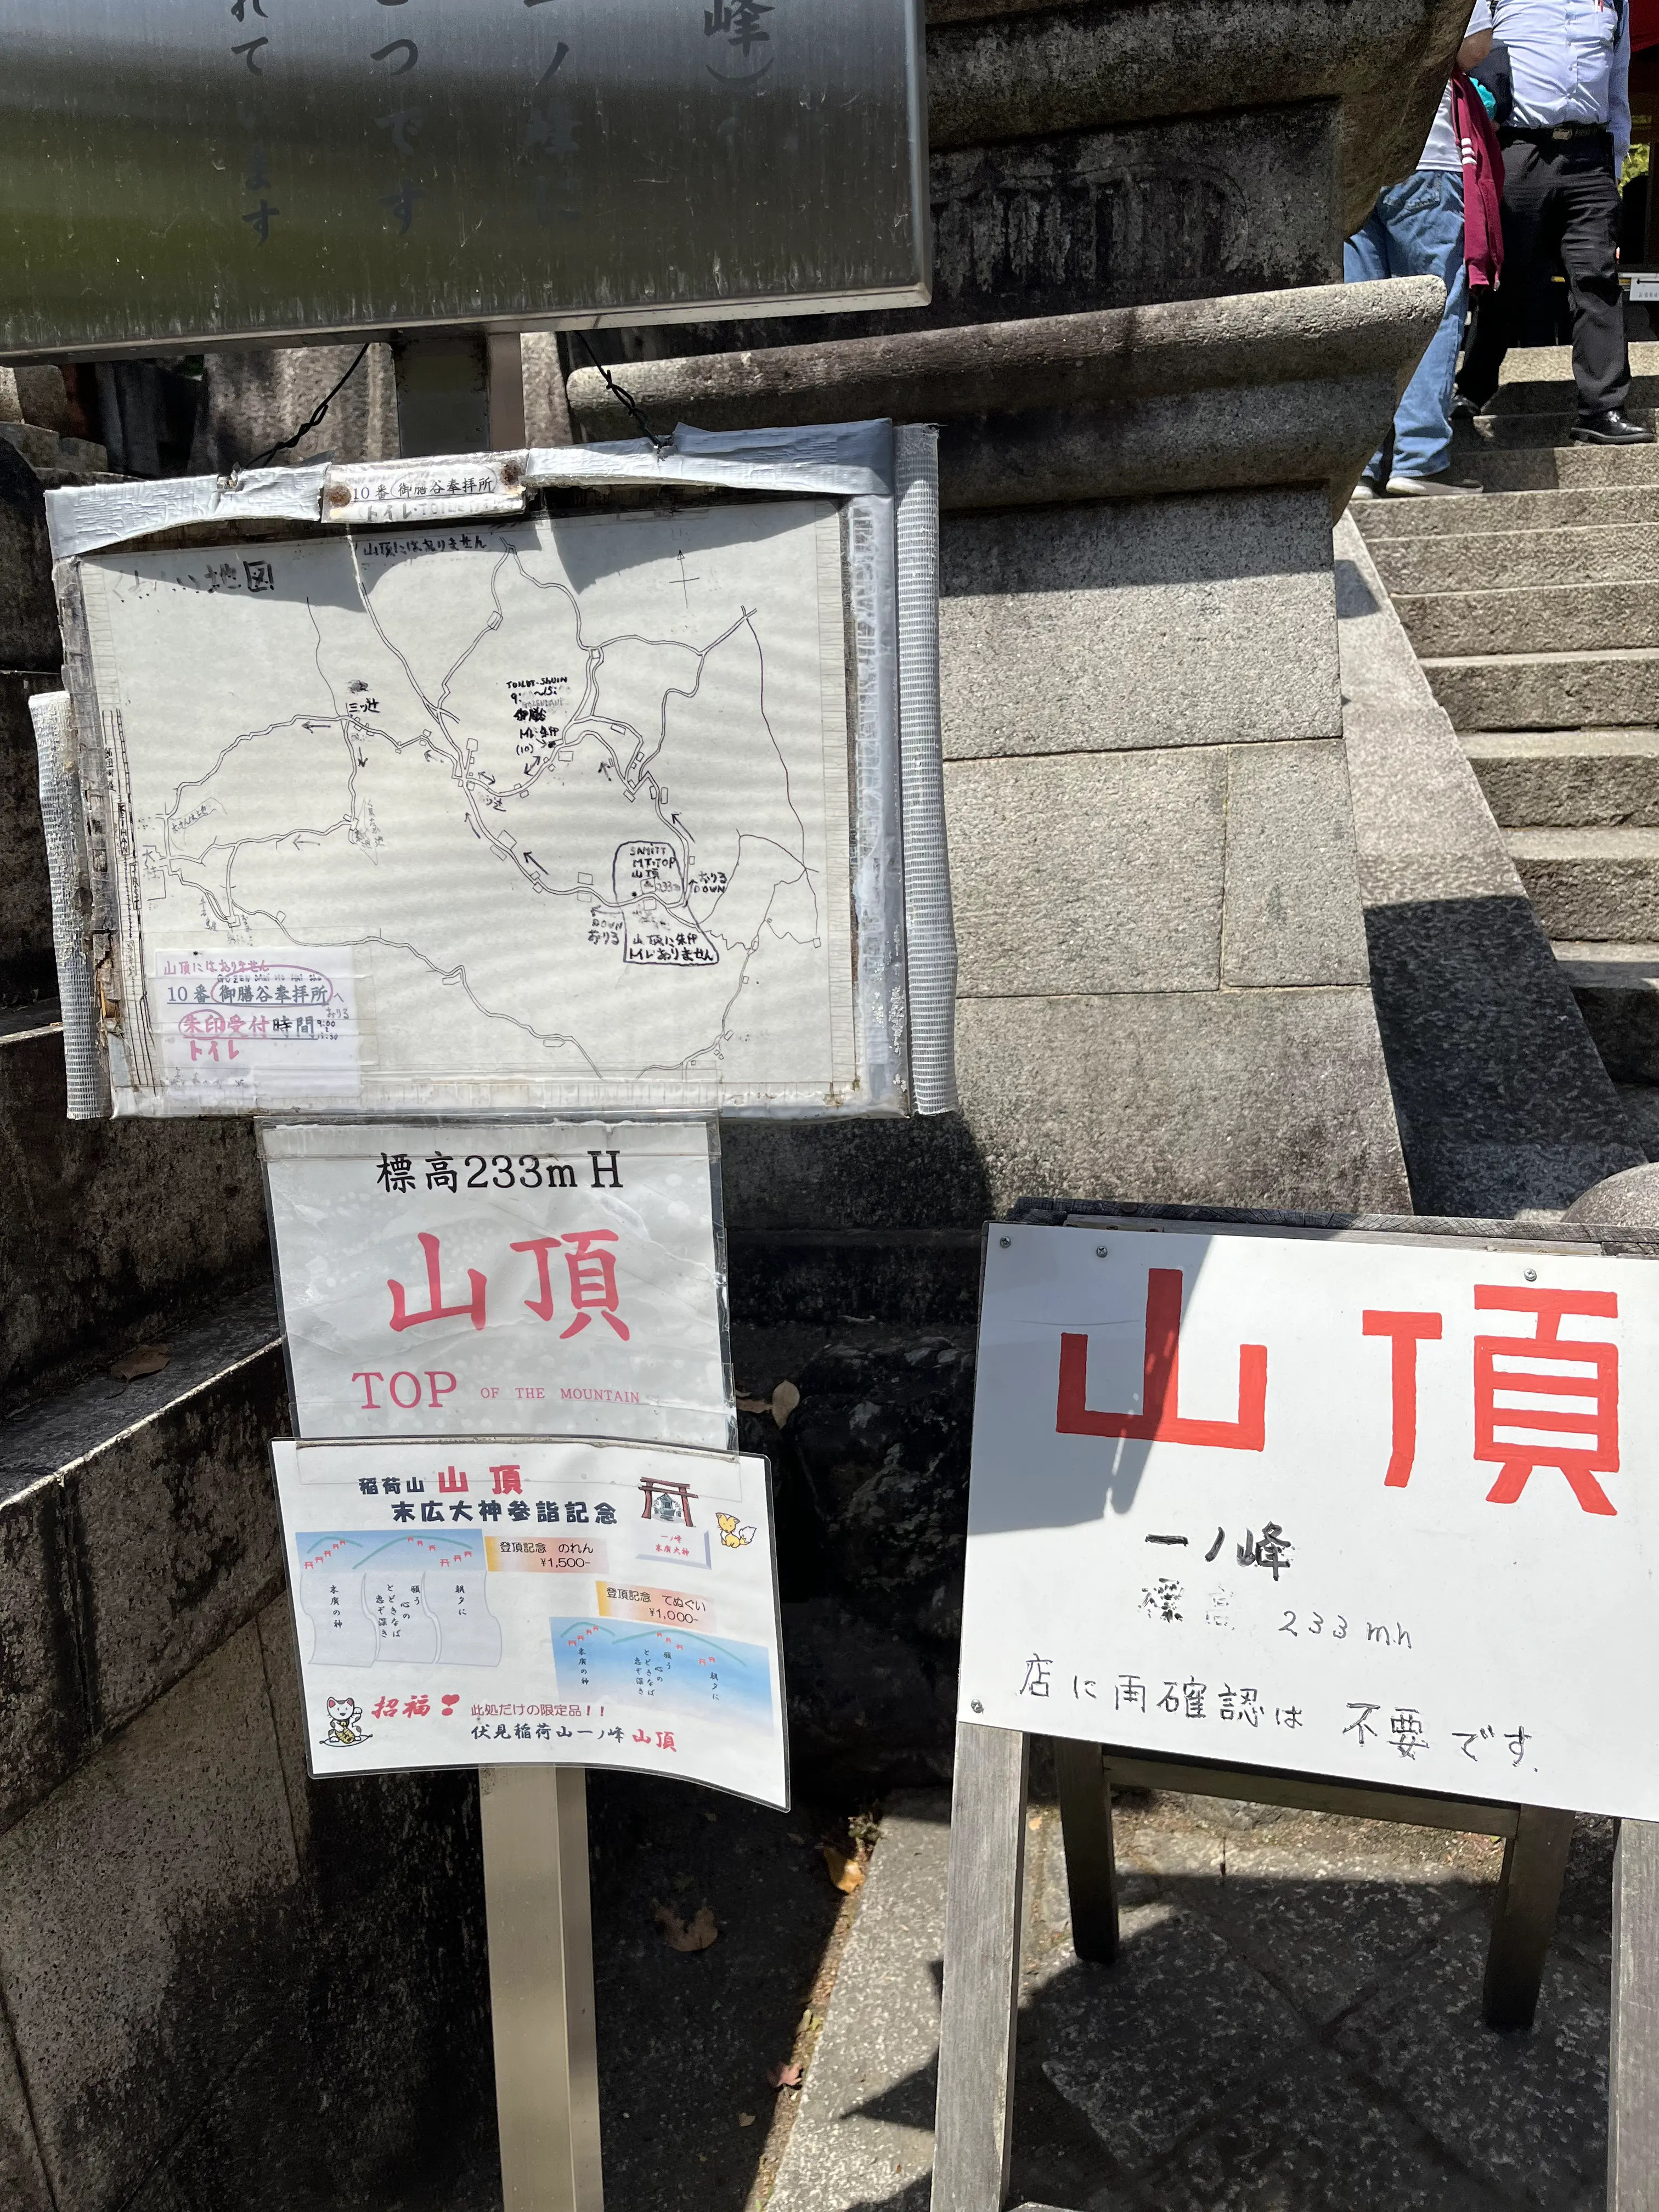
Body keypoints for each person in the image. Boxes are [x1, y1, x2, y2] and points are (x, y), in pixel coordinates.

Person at [1457, 0, 1655, 443]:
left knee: (1598, 280)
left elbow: (1618, 85)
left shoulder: (1615, 4)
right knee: (1504, 282)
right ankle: (1471, 391)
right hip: (1517, 150)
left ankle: (1602, 409)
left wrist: (1615, 167)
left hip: (1590, 156)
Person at [1345, 4, 1497, 497]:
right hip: (1425, 155)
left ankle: (1362, 467)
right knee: (1434, 308)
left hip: (1348, 158)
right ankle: (1420, 459)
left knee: (1364, 317)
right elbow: (1471, 47)